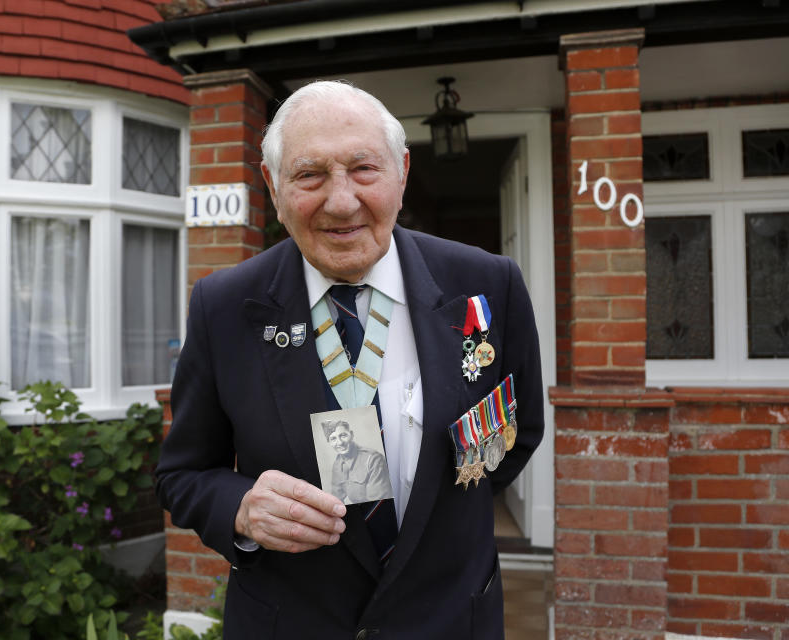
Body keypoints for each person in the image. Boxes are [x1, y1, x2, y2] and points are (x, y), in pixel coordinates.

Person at [155, 80, 544, 639]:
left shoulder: (486, 284)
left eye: (364, 169)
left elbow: (517, 433)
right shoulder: (224, 306)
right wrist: (242, 508)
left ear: (402, 172)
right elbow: (183, 474)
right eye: (310, 174)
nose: (341, 201)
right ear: (273, 184)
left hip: (452, 621)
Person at [322, 419, 392, 504]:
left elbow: (376, 504)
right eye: (333, 439)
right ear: (329, 442)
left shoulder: (373, 459)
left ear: (351, 435)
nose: (340, 443)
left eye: (343, 435)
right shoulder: (337, 464)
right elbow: (336, 500)